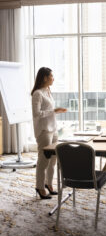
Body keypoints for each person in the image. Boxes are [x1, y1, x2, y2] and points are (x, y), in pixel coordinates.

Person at [31, 67, 67, 199]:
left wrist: (56, 111)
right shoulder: (37, 94)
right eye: (51, 76)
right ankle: (39, 186)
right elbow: (36, 114)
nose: (53, 78)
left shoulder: (48, 91)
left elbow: (49, 111)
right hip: (44, 130)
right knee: (43, 160)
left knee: (53, 160)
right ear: (45, 77)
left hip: (53, 129)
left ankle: (49, 184)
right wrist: (53, 111)